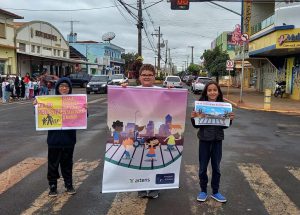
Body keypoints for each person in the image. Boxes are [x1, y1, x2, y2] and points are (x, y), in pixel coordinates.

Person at [33, 77, 83, 197]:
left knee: (67, 164)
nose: (64, 88)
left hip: (69, 140)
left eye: (66, 86)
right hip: (54, 140)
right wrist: (36, 106)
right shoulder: (50, 101)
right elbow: (41, 115)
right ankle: (53, 186)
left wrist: (84, 109)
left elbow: (81, 118)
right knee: (53, 164)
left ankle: (68, 184)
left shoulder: (75, 102)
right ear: (57, 88)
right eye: (61, 86)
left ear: (70, 88)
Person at [191, 81, 235, 203]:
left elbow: (225, 126)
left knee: (216, 167)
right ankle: (203, 191)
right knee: (203, 167)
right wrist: (193, 117)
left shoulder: (224, 106)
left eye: (215, 90)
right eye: (209, 90)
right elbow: (196, 125)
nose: (212, 92)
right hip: (204, 141)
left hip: (217, 141)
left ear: (218, 92)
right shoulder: (200, 106)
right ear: (206, 92)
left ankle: (215, 192)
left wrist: (229, 120)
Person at [123, 64, 160, 199]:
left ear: (154, 77)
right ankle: (141, 187)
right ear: (139, 77)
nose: (147, 77)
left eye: (150, 75)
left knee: (153, 161)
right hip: (138, 133)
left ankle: (154, 187)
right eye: (144, 75)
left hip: (153, 133)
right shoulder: (132, 91)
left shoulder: (161, 91)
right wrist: (121, 91)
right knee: (139, 160)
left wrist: (171, 91)